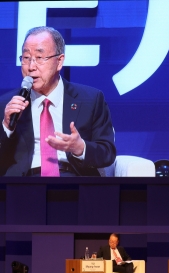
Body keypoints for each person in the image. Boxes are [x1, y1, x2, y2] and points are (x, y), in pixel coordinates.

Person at [0, 26, 115, 177]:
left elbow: (107, 153)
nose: (31, 67)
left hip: (74, 180)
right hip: (24, 184)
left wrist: (80, 148)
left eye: (39, 58)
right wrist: (7, 127)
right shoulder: (7, 104)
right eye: (26, 58)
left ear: (59, 62)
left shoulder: (90, 99)